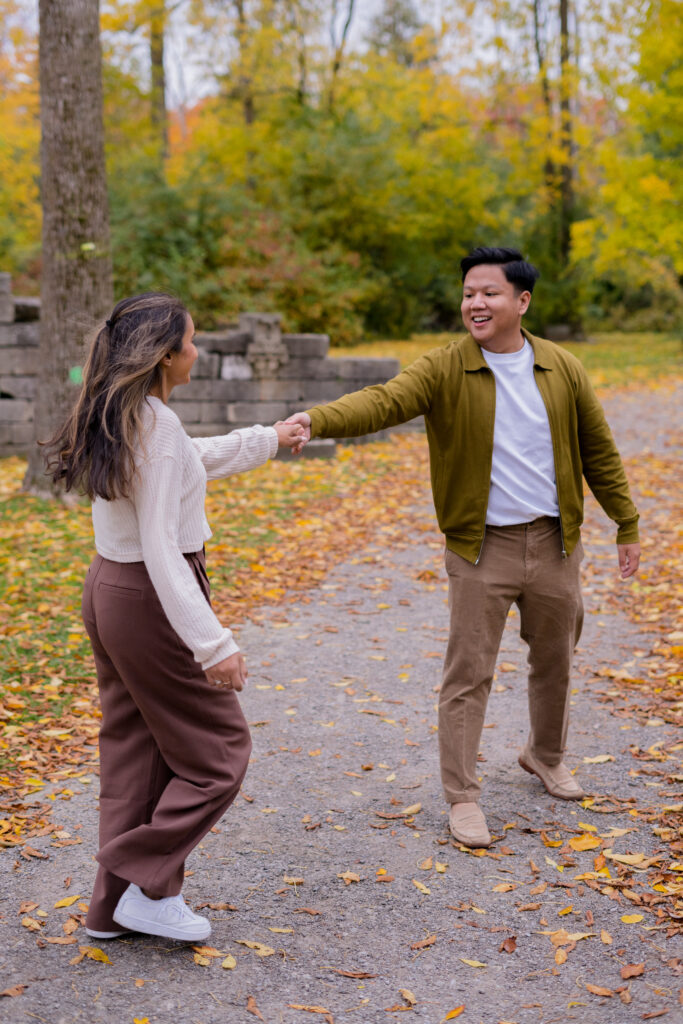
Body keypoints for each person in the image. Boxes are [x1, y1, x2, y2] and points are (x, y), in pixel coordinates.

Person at [286, 246, 640, 849]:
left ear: (521, 302)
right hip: (482, 549)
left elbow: (598, 450)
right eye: (469, 293)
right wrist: (317, 420)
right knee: (468, 672)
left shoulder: (561, 368)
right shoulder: (445, 367)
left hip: (555, 544)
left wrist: (626, 523)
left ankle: (545, 755)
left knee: (555, 658)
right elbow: (383, 400)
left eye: (490, 293)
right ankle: (463, 797)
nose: (475, 303)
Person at [45, 292, 304, 940]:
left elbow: (188, 461)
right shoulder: (153, 425)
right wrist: (214, 644)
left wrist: (266, 439)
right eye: (191, 341)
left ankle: (111, 909)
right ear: (165, 356)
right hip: (149, 597)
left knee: (135, 753)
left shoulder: (129, 411)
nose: (198, 350)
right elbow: (163, 547)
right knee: (220, 752)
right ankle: (142, 880)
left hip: (110, 589)